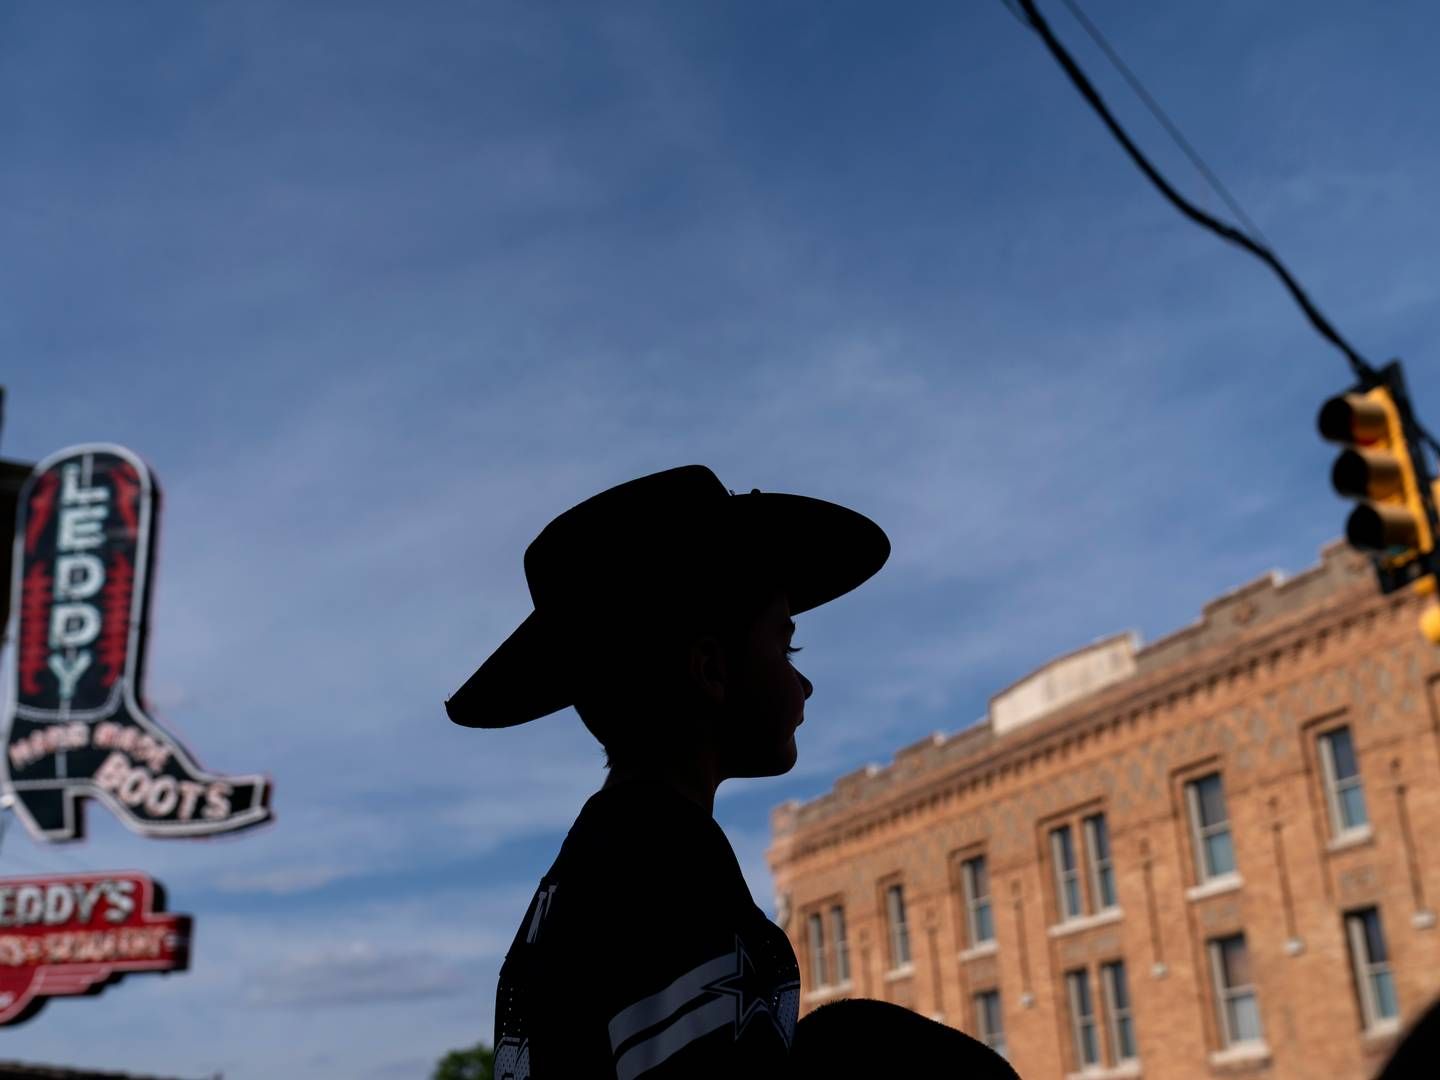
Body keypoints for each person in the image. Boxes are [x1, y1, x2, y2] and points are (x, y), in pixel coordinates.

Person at [446, 465, 1017, 1080]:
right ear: (711, 671)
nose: (805, 682)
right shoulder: (668, 869)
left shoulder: (583, 876)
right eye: (785, 645)